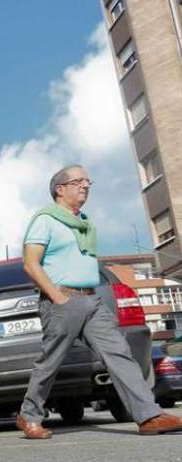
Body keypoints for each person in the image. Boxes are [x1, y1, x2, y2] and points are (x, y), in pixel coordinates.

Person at [16, 165, 182, 439]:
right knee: (50, 362)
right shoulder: (45, 220)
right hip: (62, 300)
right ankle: (29, 415)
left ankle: (148, 415)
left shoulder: (85, 222)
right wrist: (57, 298)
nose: (86, 186)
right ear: (60, 189)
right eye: (78, 181)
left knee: (120, 354)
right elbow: (30, 264)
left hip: (91, 300)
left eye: (88, 181)